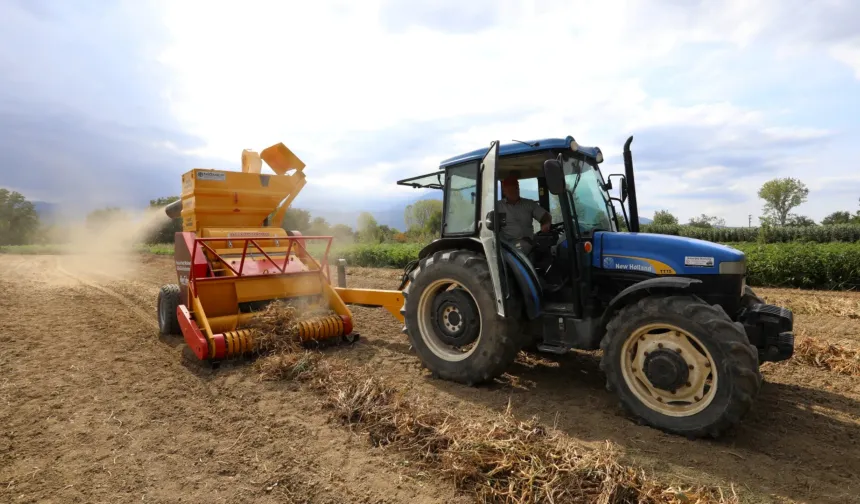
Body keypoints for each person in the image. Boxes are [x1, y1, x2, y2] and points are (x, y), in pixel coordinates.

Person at [497, 175, 552, 256]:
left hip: (527, 242)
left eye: (516, 188)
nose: (515, 191)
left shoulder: (529, 204)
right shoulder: (498, 207)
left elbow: (545, 216)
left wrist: (546, 224)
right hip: (507, 245)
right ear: (504, 191)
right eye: (511, 189)